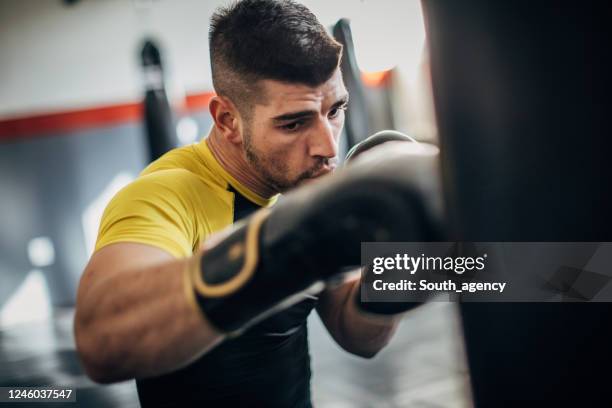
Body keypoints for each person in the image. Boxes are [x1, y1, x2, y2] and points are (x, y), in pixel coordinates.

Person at [74, 1, 437, 406]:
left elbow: (356, 333)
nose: (328, 146)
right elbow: (100, 342)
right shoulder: (166, 195)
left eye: (335, 111)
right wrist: (285, 246)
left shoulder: (301, 184)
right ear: (227, 120)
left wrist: (397, 274)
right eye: (294, 122)